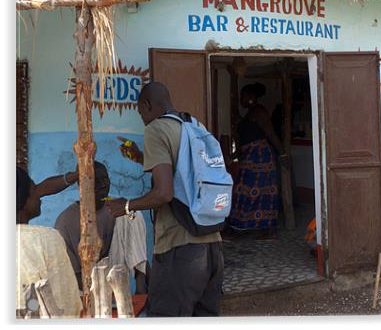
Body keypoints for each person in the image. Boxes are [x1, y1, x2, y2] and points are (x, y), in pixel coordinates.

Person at [106, 81, 224, 317]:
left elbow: (164, 193)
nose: (143, 119)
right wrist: (142, 158)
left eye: (141, 113)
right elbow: (184, 176)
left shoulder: (156, 129)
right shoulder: (194, 125)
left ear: (147, 105)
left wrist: (127, 206)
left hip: (179, 250)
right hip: (212, 246)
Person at [54, 161, 148, 294]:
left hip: (115, 274)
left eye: (105, 180)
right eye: (96, 181)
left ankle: (141, 290)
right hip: (84, 285)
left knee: (131, 213)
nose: (104, 185)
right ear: (81, 185)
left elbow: (136, 254)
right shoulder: (65, 221)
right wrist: (99, 293)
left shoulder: (116, 209)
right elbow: (71, 275)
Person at [16, 167, 82, 318]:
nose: (39, 197)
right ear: (22, 200)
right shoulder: (47, 238)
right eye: (34, 192)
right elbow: (66, 301)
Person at [227, 82, 286, 239]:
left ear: (252, 97)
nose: (241, 99)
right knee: (246, 191)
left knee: (260, 193)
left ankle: (267, 229)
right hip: (249, 158)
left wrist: (284, 155)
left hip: (260, 158)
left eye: (243, 96)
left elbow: (271, 134)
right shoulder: (249, 113)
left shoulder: (259, 112)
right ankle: (244, 226)